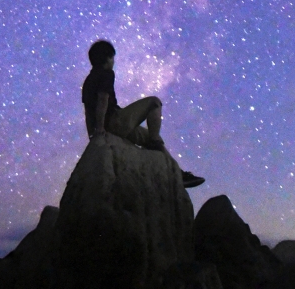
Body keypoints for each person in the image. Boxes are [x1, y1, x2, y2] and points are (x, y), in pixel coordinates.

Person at [81, 39, 204, 189]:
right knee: (154, 102)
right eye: (112, 58)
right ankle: (161, 150)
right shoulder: (107, 73)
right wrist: (100, 128)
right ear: (106, 58)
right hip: (115, 122)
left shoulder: (87, 82)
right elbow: (103, 100)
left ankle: (178, 174)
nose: (114, 62)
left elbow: (88, 111)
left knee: (148, 138)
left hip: (108, 128)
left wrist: (93, 136)